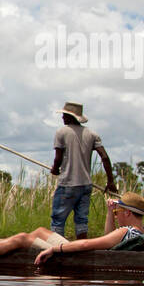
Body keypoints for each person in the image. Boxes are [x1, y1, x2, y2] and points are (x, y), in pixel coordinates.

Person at [0, 192, 144, 266]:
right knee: (40, 230)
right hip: (84, 250)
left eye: (118, 212)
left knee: (23, 238)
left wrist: (55, 250)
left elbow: (88, 243)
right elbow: (108, 238)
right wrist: (110, 213)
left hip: (77, 254)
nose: (116, 214)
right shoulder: (142, 231)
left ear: (126, 213)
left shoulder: (124, 232)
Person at [51, 101, 117, 239]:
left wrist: (55, 169)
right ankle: (82, 249)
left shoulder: (61, 132)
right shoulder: (92, 134)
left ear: (71, 117)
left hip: (68, 184)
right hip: (86, 185)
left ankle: (57, 250)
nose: (62, 118)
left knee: (58, 220)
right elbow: (104, 157)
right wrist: (110, 181)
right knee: (81, 221)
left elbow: (58, 158)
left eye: (64, 115)